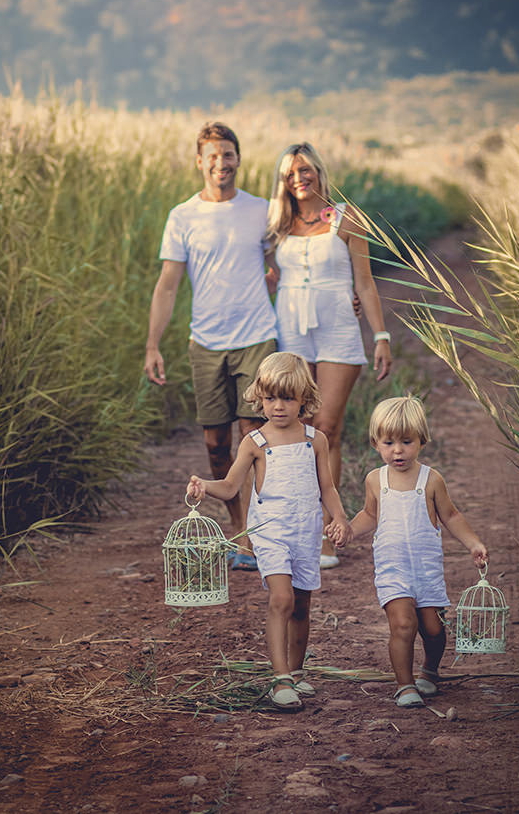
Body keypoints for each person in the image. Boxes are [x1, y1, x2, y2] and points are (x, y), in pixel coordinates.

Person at [186, 352, 352, 711]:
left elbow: (328, 488)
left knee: (302, 605)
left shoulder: (315, 440)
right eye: (271, 397)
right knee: (282, 599)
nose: (279, 406)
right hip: (270, 531)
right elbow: (231, 487)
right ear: (259, 397)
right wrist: (203, 485)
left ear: (304, 400)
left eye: (288, 398)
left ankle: (295, 670)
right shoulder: (255, 442)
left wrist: (338, 518)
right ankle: (279, 679)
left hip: (305, 531)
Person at [145, 122, 277, 571]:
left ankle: (255, 538)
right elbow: (167, 286)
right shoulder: (183, 216)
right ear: (199, 162)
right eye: (213, 156)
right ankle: (238, 523)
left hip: (257, 337)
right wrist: (152, 345)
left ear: (239, 159)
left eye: (229, 154)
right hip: (206, 342)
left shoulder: (261, 210)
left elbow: (287, 261)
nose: (221, 163)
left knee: (254, 435)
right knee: (216, 442)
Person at [268, 141, 393, 568]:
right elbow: (268, 274)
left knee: (327, 427)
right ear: (283, 182)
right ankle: (297, 527)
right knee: (298, 430)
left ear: (319, 171)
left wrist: (380, 335)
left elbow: (365, 282)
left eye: (305, 170)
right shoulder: (280, 222)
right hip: (292, 334)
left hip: (338, 331)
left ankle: (329, 532)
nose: (299, 178)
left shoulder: (344, 217)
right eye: (289, 174)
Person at [327, 396, 487, 709]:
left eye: (406, 441)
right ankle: (404, 684)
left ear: (422, 441)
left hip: (427, 571)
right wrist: (348, 529)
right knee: (402, 625)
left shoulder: (431, 479)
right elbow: (370, 515)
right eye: (389, 442)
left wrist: (473, 543)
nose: (397, 450)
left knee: (434, 628)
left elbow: (451, 515)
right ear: (376, 443)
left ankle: (429, 670)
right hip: (393, 569)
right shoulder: (376, 480)